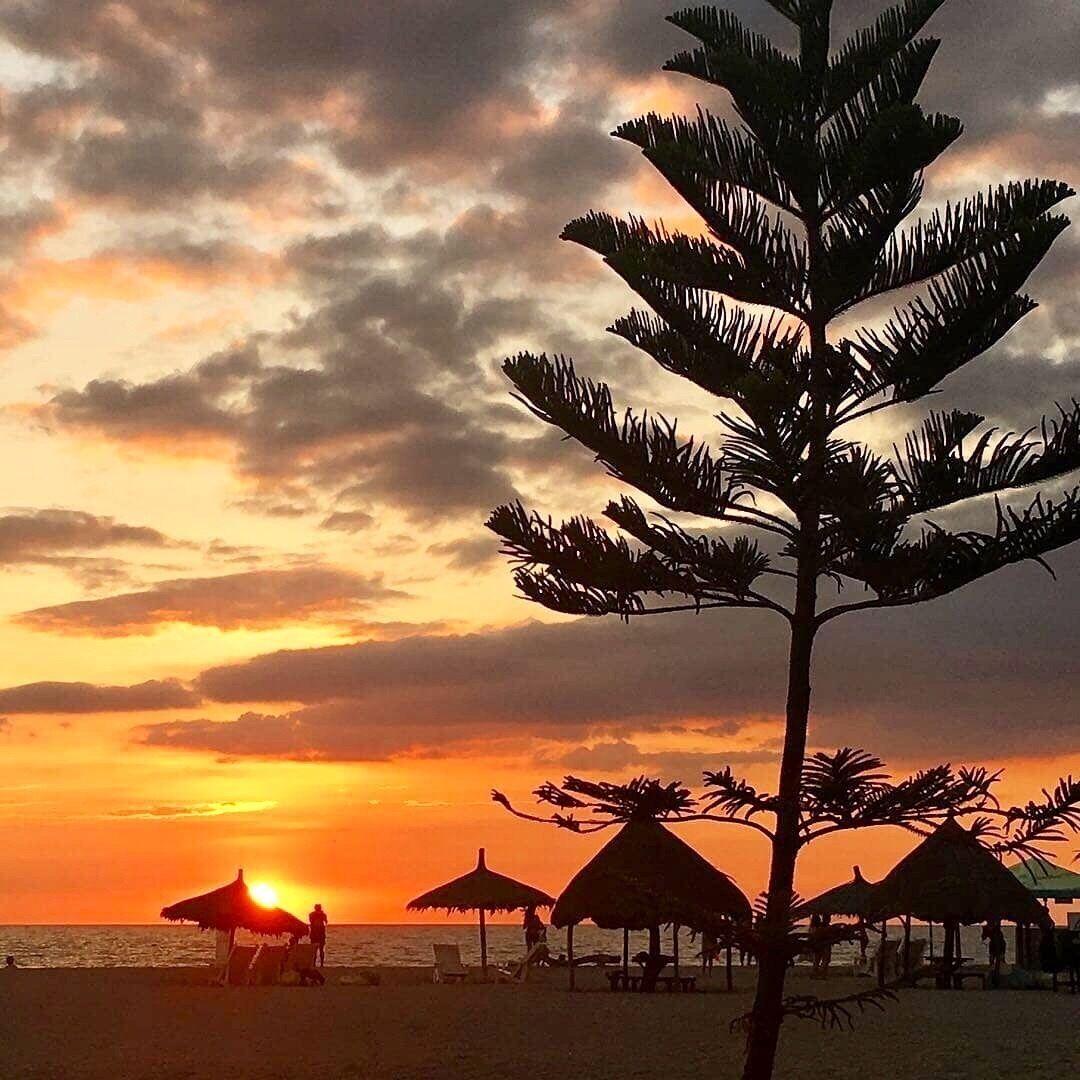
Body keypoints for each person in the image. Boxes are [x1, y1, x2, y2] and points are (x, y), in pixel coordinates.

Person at [982, 920, 1007, 985]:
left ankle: (997, 978)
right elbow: (984, 938)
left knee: (998, 962)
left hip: (999, 947)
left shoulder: (996, 932)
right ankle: (995, 978)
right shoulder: (993, 931)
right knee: (994, 962)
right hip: (996, 947)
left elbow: (984, 939)